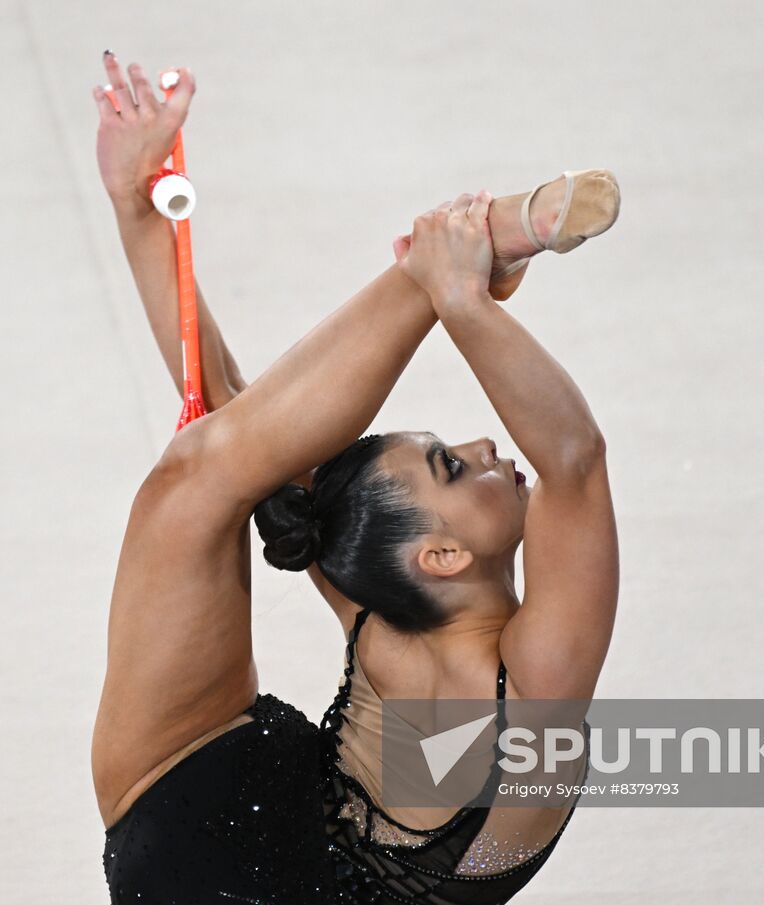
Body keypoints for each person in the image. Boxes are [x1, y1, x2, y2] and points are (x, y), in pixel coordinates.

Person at [90, 53, 620, 904]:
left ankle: (455, 257)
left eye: (450, 461)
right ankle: (458, 253)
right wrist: (137, 205)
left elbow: (575, 460)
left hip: (190, 854)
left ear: (440, 556)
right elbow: (232, 422)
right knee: (202, 476)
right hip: (218, 808)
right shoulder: (414, 628)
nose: (488, 445)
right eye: (456, 461)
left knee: (207, 472)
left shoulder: (531, 700)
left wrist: (466, 304)